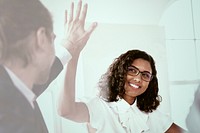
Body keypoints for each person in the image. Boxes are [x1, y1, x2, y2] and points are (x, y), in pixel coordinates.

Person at [0, 0, 97, 133]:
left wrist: (69, 47)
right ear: (42, 39)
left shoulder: (12, 92)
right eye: (53, 38)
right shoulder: (11, 116)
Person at [58, 48, 187, 132]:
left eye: (145, 75)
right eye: (132, 70)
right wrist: (72, 56)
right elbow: (66, 111)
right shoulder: (99, 107)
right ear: (120, 71)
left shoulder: (153, 115)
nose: (138, 79)